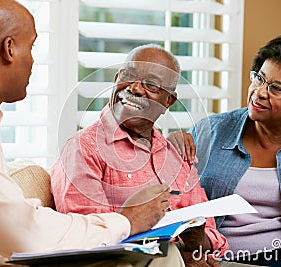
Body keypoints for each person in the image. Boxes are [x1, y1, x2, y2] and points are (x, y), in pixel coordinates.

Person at [0, 1, 184, 266]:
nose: (33, 61)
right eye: (31, 47)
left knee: (162, 256)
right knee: (158, 259)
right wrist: (128, 220)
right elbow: (26, 234)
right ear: (9, 49)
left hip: (6, 255)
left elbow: (16, 221)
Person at [50, 44, 230, 266]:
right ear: (116, 79)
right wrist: (175, 258)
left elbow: (215, 238)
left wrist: (197, 242)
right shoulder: (82, 149)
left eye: (151, 85)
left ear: (168, 102)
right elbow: (89, 237)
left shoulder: (175, 154)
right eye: (128, 76)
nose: (134, 88)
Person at [171, 34, 281, 267]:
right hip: (222, 258)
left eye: (276, 89)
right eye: (259, 78)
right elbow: (173, 204)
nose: (259, 92)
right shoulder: (211, 131)